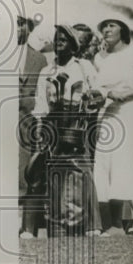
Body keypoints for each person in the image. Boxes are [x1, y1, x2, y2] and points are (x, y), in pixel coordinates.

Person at [27, 24, 103, 237]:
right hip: (53, 122)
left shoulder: (84, 67)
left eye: (64, 40)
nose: (59, 43)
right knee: (55, 173)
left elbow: (98, 93)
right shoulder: (46, 71)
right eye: (57, 40)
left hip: (78, 122)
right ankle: (58, 227)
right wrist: (41, 131)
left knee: (82, 169)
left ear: (73, 45)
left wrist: (90, 105)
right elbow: (41, 104)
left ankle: (91, 225)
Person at [93, 17, 133, 235]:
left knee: (124, 161)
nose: (106, 29)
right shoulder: (99, 58)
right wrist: (106, 94)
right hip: (106, 113)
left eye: (112, 25)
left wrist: (125, 94)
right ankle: (114, 224)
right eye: (104, 26)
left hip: (129, 111)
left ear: (123, 30)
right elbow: (97, 87)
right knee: (105, 163)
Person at [16, 16, 47, 238]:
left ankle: (23, 223)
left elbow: (41, 93)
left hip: (26, 120)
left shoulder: (40, 59)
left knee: (24, 169)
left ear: (29, 28)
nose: (17, 29)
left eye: (21, 24)